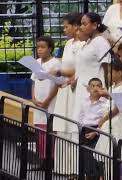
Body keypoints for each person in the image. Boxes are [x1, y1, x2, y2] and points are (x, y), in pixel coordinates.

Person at [51, 12, 84, 176]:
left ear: (76, 26)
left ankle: (76, 169)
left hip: (75, 88)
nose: (64, 30)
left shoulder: (81, 45)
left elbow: (78, 68)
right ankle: (63, 168)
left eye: (67, 26)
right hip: (65, 87)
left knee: (73, 128)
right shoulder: (69, 43)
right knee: (62, 127)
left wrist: (60, 72)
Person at [73, 12, 111, 125]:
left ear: (94, 25)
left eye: (84, 24)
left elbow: (107, 68)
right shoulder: (88, 42)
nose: (81, 27)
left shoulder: (100, 42)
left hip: (94, 89)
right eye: (80, 24)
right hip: (82, 88)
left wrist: (107, 91)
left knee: (91, 122)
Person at [94, 58, 122, 179]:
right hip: (109, 122)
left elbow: (117, 108)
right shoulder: (113, 87)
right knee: (106, 156)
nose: (108, 75)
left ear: (119, 73)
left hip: (115, 122)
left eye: (110, 72)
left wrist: (104, 119)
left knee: (113, 153)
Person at [31, 36, 61, 168]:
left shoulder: (55, 64)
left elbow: (56, 85)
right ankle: (42, 160)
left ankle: (51, 160)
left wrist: (47, 100)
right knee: (40, 131)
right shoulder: (36, 62)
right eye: (38, 47)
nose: (39, 50)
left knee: (50, 130)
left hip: (50, 103)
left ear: (50, 48)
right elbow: (33, 81)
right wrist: (33, 97)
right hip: (38, 102)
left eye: (42, 47)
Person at [78, 77, 107, 179]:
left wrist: (96, 132)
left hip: (97, 131)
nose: (95, 88)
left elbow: (104, 121)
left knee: (95, 157)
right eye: (93, 86)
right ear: (88, 89)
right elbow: (81, 116)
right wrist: (81, 129)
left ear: (102, 88)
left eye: (98, 86)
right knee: (85, 158)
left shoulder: (104, 103)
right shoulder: (84, 101)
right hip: (85, 130)